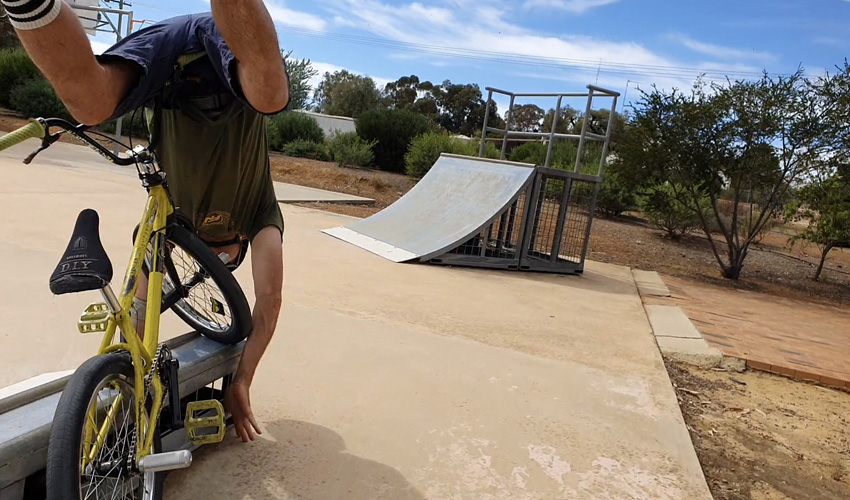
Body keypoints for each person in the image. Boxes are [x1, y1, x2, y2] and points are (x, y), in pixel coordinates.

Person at [1, 0, 291, 443]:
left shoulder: (169, 226)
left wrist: (236, 379)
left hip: (172, 72)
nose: (213, 262)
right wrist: (239, 380)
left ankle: (26, 5)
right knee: (271, 95)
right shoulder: (259, 210)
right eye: (226, 263)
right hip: (228, 52)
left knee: (90, 103)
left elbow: (142, 303)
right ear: (240, 245)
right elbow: (269, 304)